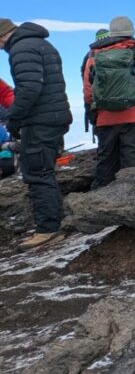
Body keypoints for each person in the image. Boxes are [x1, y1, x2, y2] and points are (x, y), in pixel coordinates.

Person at [0, 18, 72, 249]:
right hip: (53, 117)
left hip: (40, 121)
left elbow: (30, 88)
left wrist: (15, 119)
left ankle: (49, 230)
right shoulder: (40, 44)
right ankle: (51, 224)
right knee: (44, 171)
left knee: (37, 173)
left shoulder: (21, 48)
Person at [83, 16, 135, 190]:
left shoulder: (94, 56)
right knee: (133, 161)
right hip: (134, 115)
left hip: (105, 118)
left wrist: (98, 110)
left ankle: (99, 198)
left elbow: (88, 91)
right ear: (130, 33)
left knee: (106, 160)